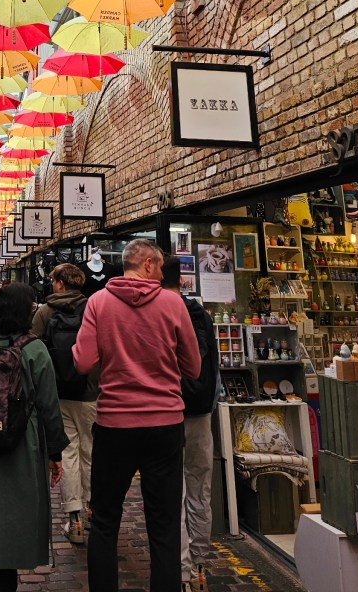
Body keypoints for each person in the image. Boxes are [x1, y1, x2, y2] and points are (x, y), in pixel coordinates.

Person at [72, 239, 201, 592]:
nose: (161, 274)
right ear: (146, 264)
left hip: (115, 424)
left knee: (105, 520)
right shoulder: (173, 304)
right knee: (163, 524)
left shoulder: (98, 302)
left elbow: (82, 362)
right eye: (159, 267)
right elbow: (193, 367)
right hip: (164, 425)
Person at [0, 282, 68, 592]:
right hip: (23, 444)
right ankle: (7, 572)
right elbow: (49, 407)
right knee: (16, 509)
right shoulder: (35, 349)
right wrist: (55, 453)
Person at [162, 253, 220, 592]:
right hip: (202, 412)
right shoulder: (202, 315)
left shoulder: (160, 311)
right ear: (181, 280)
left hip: (170, 411)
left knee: (173, 492)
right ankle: (199, 566)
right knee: (200, 490)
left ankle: (181, 571)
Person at [31, 262, 97, 545]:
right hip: (91, 392)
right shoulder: (93, 308)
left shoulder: (45, 312)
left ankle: (75, 520)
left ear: (59, 283)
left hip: (57, 392)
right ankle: (95, 508)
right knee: (91, 452)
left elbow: (33, 348)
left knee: (67, 453)